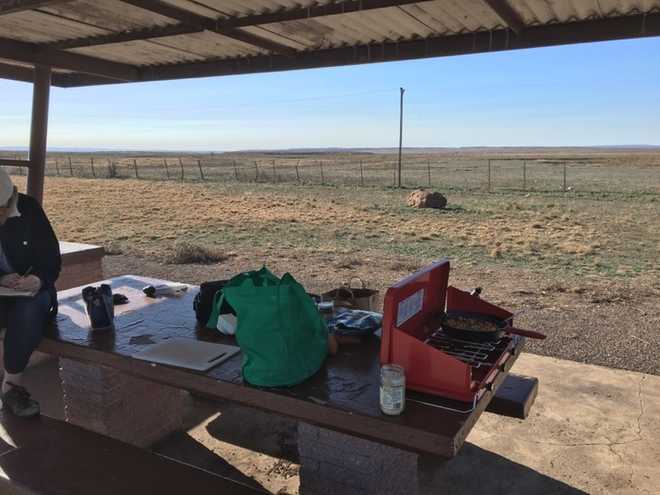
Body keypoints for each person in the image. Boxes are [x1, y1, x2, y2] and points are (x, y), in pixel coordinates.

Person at [0, 168, 60, 418]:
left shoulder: (29, 209)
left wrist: (36, 280)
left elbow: (51, 259)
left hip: (34, 293)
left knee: (28, 310)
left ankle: (11, 387)